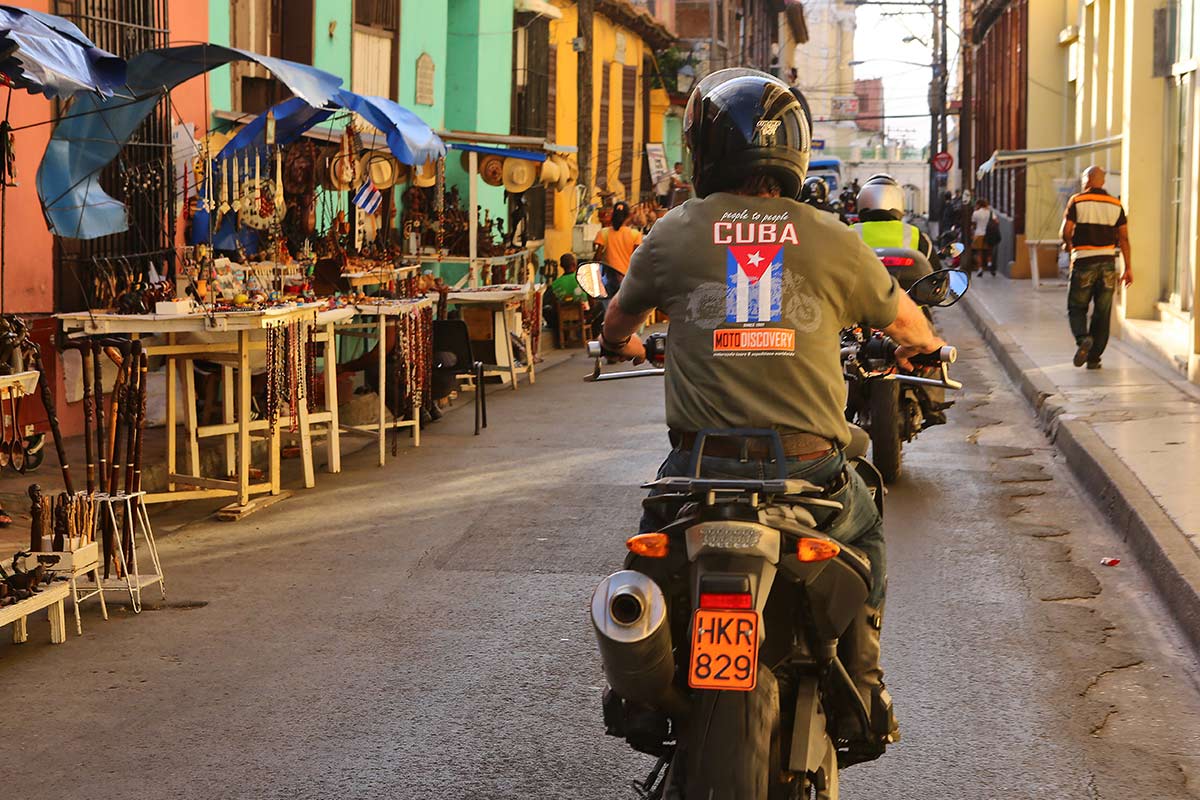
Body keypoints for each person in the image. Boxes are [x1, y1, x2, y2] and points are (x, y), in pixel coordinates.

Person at [600, 68, 946, 761]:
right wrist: (930, 348)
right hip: (809, 468)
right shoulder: (833, 237)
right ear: (793, 149)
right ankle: (867, 686)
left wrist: (626, 345)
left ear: (704, 152)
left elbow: (616, 325)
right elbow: (909, 323)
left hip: (700, 468)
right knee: (866, 531)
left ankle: (638, 691)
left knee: (649, 549)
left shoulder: (671, 233)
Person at [1060, 165, 1133, 369]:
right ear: (1103, 181)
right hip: (1108, 263)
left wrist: (1069, 245)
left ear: (1088, 180)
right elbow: (1124, 238)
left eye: (1084, 178)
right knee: (1102, 312)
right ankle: (1094, 358)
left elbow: (1066, 231)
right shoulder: (1116, 204)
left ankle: (1083, 338)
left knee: (1077, 306)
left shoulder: (1077, 200)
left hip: (1084, 261)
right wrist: (1128, 268)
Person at [852, 174, 942, 275]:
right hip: (907, 285)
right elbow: (936, 272)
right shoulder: (915, 234)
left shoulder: (850, 232)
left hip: (861, 285)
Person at [593, 200, 643, 294]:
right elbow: (637, 260)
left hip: (608, 280)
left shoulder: (603, 233)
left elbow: (597, 259)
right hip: (627, 280)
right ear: (628, 216)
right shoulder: (635, 235)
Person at [971, 198, 997, 276]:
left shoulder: (976, 213)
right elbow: (996, 221)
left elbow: (973, 224)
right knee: (989, 252)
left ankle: (980, 269)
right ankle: (989, 264)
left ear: (978, 205)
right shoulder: (990, 212)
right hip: (989, 235)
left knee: (979, 253)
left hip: (979, 234)